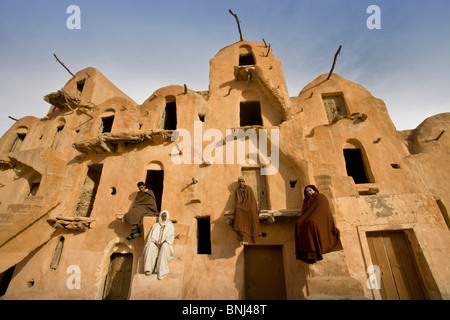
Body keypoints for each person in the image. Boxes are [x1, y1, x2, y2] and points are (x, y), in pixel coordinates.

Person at [294, 185, 343, 263]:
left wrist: (312, 217)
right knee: (298, 223)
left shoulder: (321, 197)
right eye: (307, 191)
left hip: (321, 218)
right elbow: (305, 211)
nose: (309, 192)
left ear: (314, 190)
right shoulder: (306, 200)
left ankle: (313, 251)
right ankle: (305, 253)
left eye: (310, 190)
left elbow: (323, 209)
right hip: (310, 216)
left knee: (312, 222)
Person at [143, 210, 175, 280]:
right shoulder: (155, 225)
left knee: (165, 247)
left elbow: (171, 237)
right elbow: (151, 237)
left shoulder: (170, 225)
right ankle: (148, 269)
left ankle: (161, 271)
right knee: (150, 245)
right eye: (162, 216)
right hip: (156, 244)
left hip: (165, 244)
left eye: (165, 216)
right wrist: (155, 243)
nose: (163, 217)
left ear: (167, 216)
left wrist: (163, 243)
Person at [233, 176, 261, 245]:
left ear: (244, 182)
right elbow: (238, 201)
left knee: (252, 212)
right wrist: (241, 205)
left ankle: (253, 238)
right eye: (239, 181)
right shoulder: (237, 191)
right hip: (242, 206)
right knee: (237, 208)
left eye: (242, 181)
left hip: (249, 205)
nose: (241, 183)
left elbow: (251, 200)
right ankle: (243, 237)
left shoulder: (249, 189)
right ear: (238, 183)